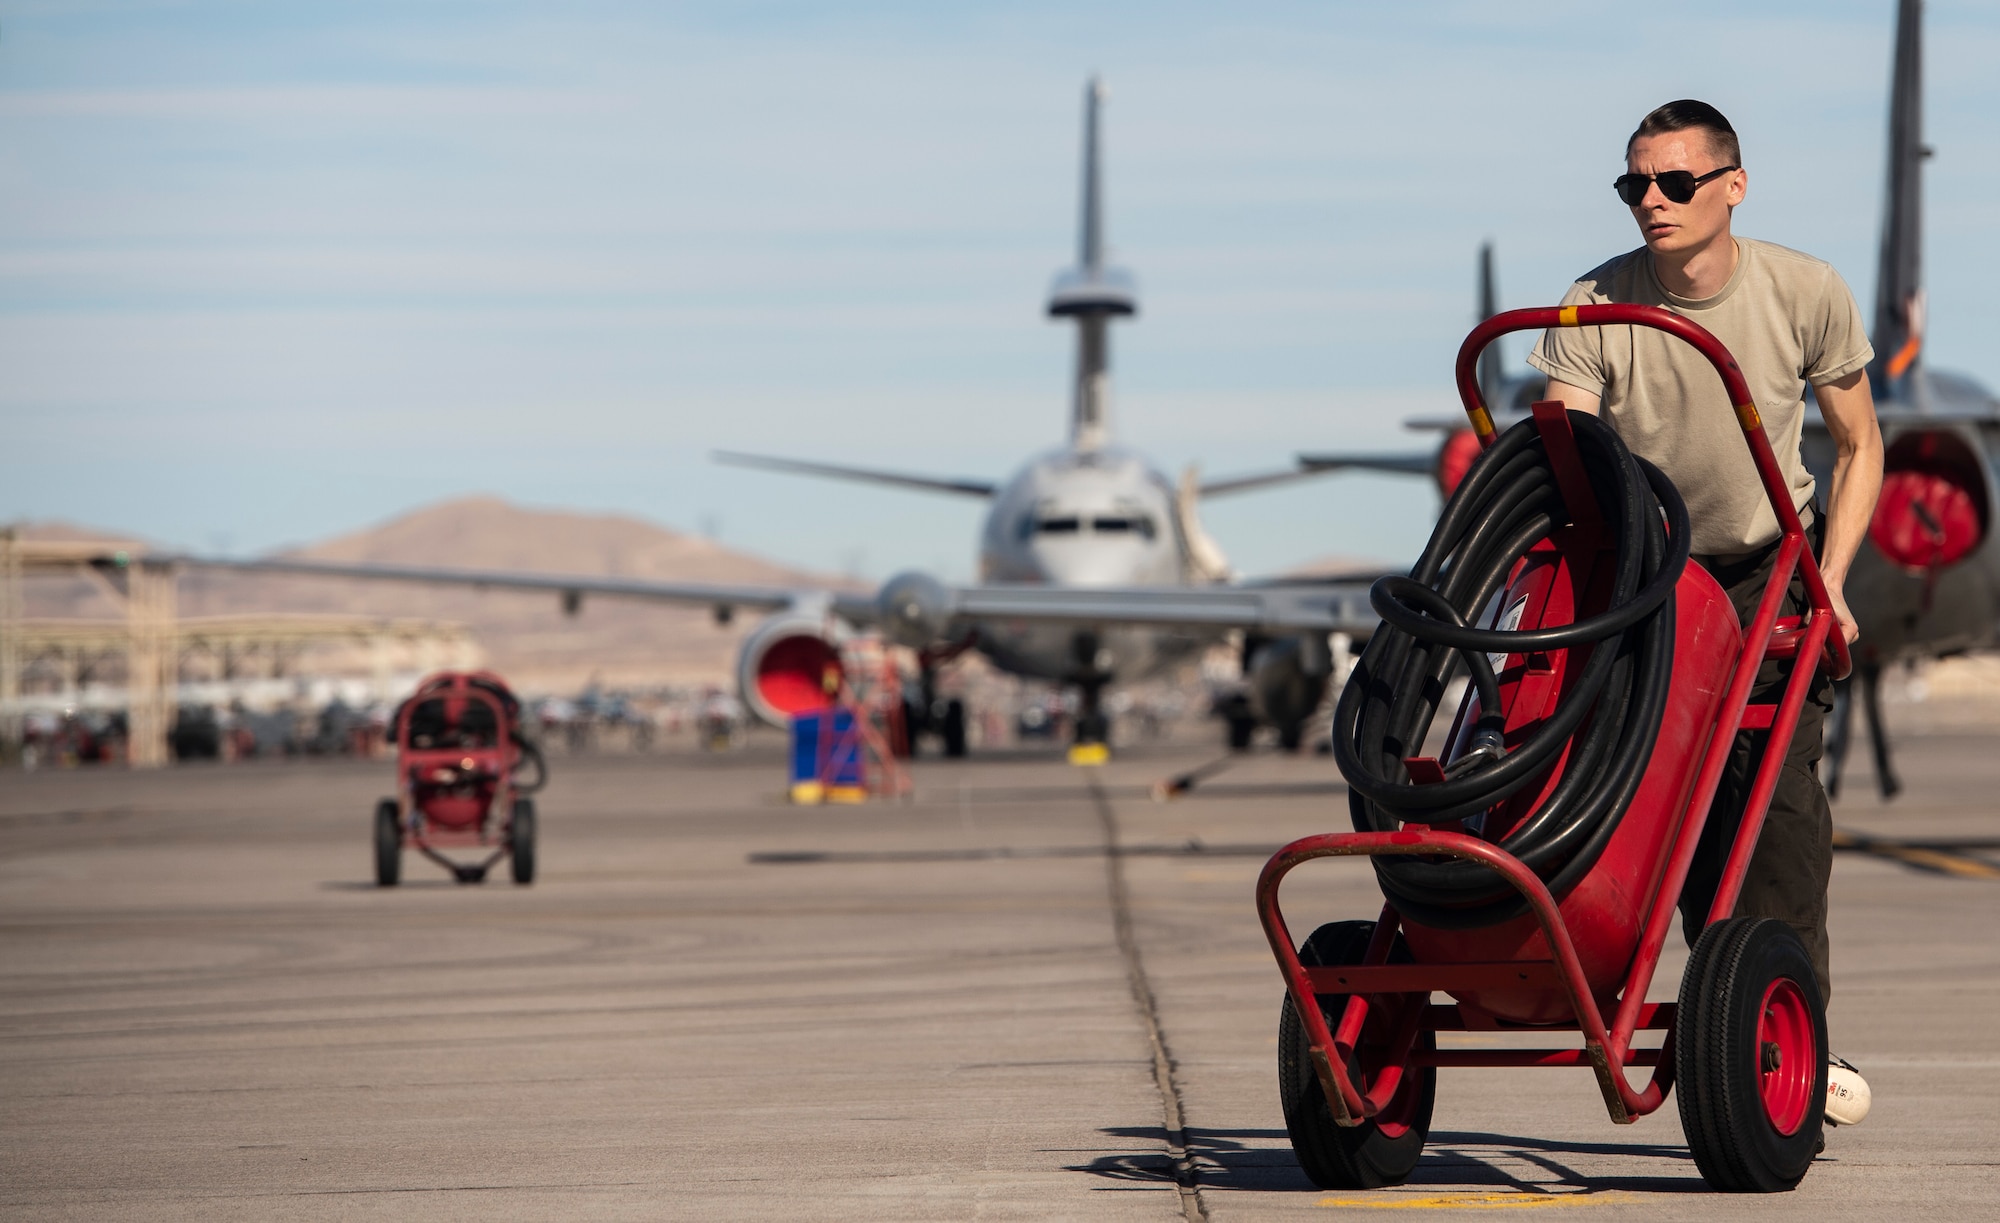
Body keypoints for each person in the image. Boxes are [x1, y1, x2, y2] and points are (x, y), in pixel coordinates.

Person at [1528, 99, 1884, 1127]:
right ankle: (1739, 1018)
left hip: (1767, 569)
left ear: (1730, 185)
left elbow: (1858, 445)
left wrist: (1832, 581)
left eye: (1673, 183)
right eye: (1633, 184)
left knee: (1772, 815)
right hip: (1647, 572)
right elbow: (1567, 457)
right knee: (1671, 816)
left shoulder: (1802, 289)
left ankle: (1784, 1036)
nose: (1651, 201)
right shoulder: (1595, 302)